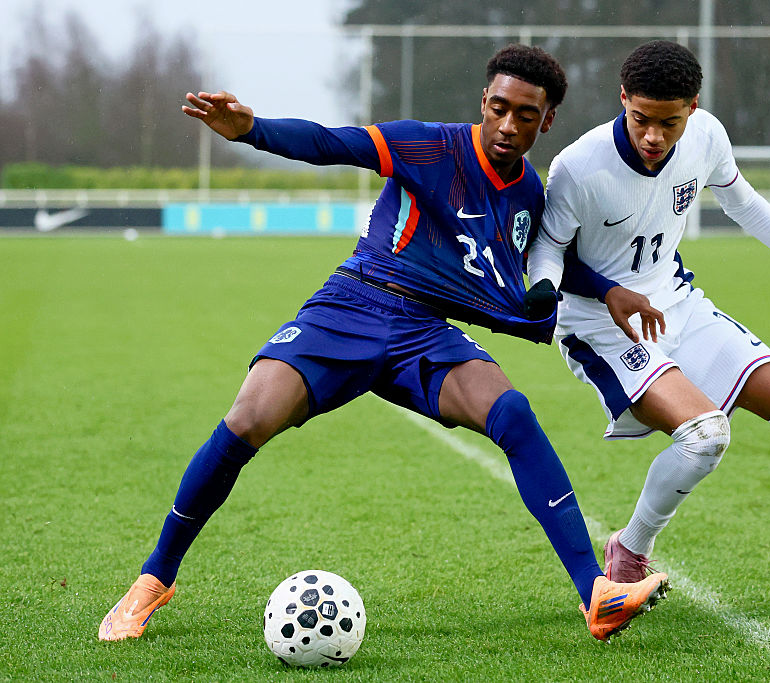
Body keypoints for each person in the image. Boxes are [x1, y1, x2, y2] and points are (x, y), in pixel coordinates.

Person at [98, 44, 668, 644]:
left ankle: (596, 595)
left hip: (424, 331)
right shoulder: (429, 145)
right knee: (247, 421)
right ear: (483, 102)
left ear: (546, 120)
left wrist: (608, 291)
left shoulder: (529, 193)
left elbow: (545, 263)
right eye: (498, 107)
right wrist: (252, 130)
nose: (507, 124)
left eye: (526, 115)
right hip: (354, 304)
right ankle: (154, 577)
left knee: (513, 414)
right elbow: (331, 142)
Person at [526, 40, 770, 585]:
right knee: (706, 436)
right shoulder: (578, 166)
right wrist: (549, 287)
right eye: (641, 120)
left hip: (678, 304)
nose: (654, 136)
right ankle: (630, 546)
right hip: (602, 327)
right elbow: (547, 248)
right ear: (622, 100)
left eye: (670, 121)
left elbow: (744, 203)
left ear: (693, 107)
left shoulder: (706, 136)